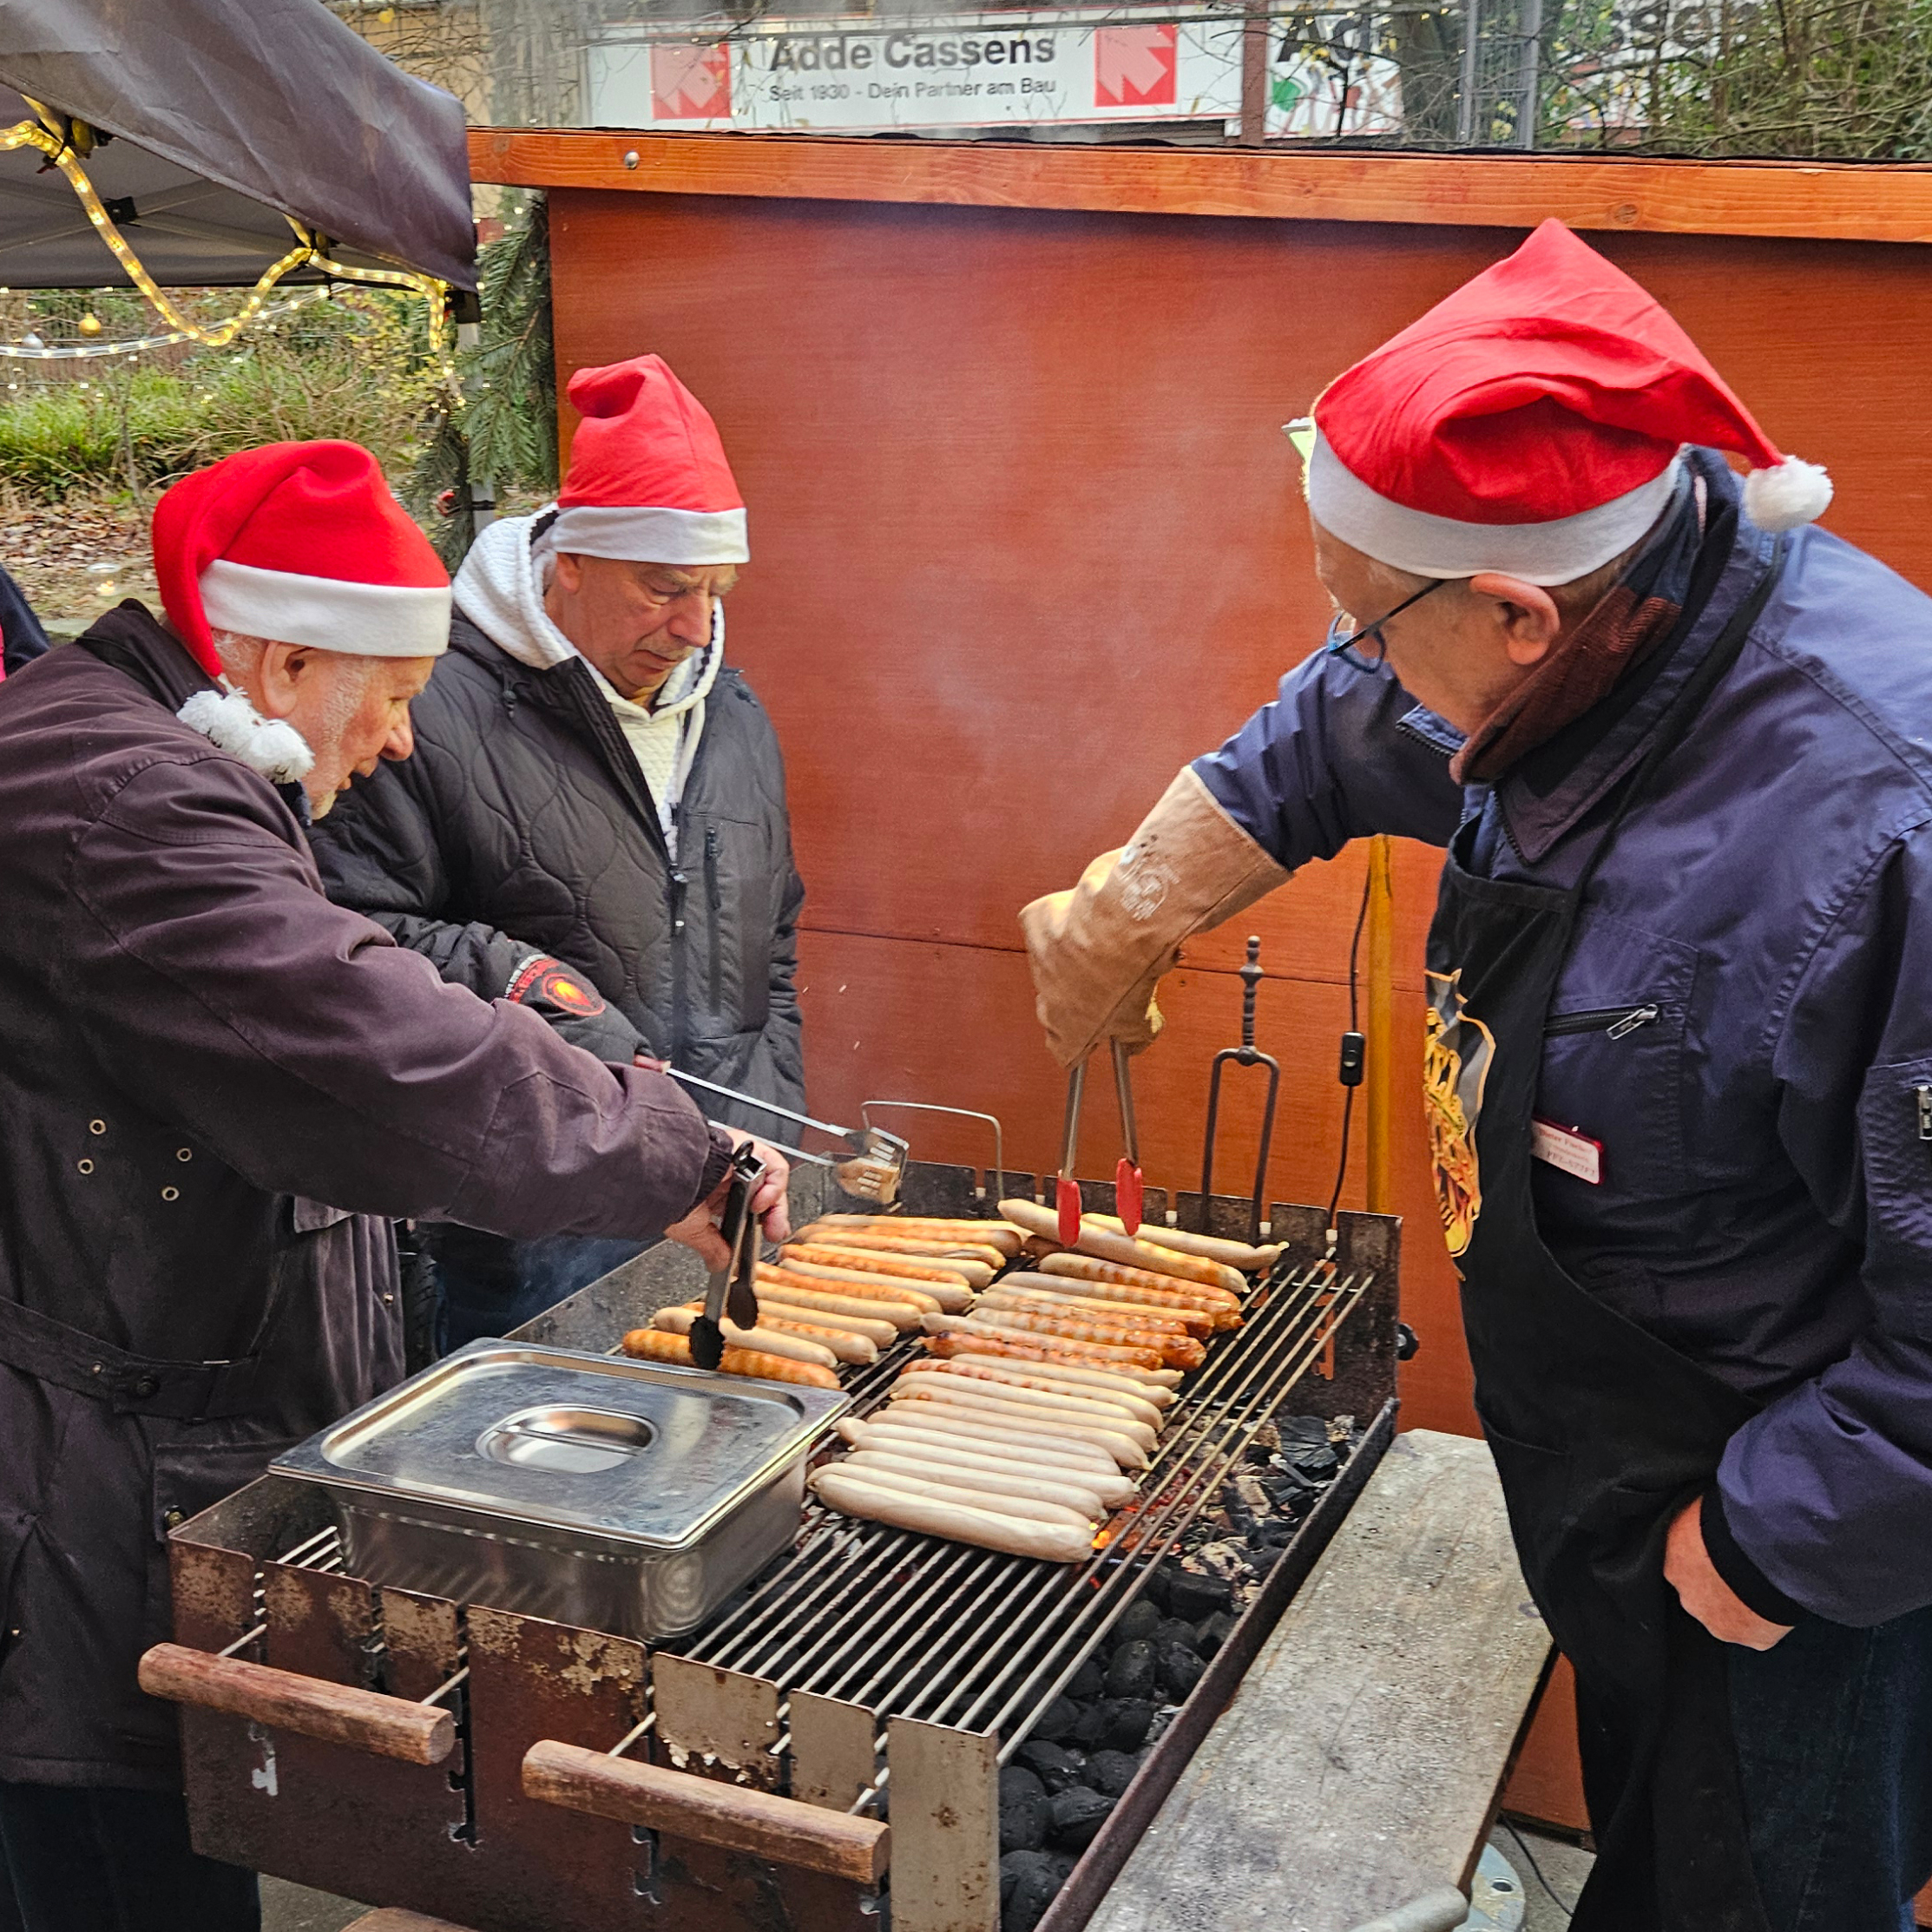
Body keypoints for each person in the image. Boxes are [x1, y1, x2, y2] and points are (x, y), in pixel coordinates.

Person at [1021, 221, 1932, 1932]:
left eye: (1359, 616)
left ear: (1519, 617)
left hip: (1816, 1561)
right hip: (1632, 1481)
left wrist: (1755, 1553)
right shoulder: (1603, 620)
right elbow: (1334, 728)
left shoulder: (1880, 828)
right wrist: (1126, 911)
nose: (1343, 654)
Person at [0, 439, 788, 1932]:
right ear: (284, 653)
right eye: (400, 695)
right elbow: (367, 1056)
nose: (409, 743)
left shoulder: (148, 746)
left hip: (108, 1450)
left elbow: (344, 987)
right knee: (118, 1877)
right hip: (61, 1495)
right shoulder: (133, 807)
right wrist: (666, 1149)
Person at [312, 355, 805, 1346]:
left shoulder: (736, 714)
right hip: (524, 1229)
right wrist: (597, 1055)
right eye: (664, 590)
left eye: (712, 590)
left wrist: (770, 1125)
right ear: (569, 562)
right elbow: (357, 934)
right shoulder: (430, 706)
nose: (694, 627)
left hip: (725, 1196)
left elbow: (777, 951)